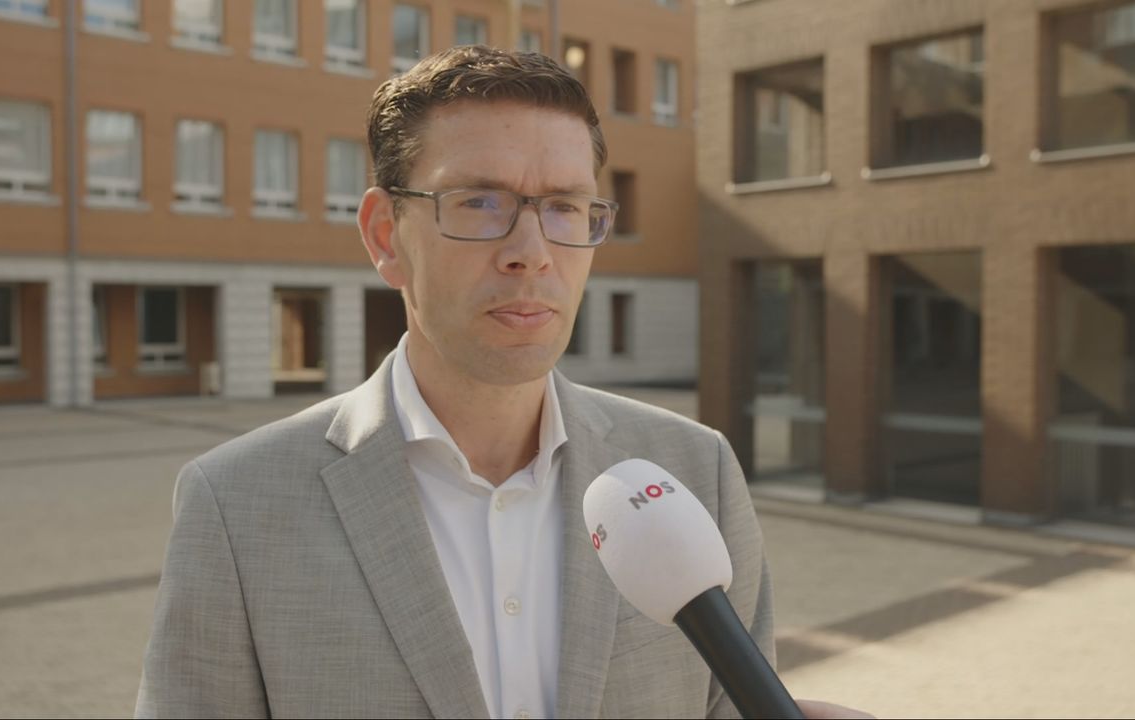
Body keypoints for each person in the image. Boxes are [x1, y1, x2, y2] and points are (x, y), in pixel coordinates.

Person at [136, 45, 865, 719]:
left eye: (563, 207)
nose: (531, 252)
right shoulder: (235, 506)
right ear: (386, 236)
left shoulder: (694, 470)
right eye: (481, 202)